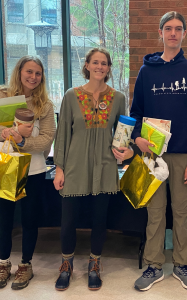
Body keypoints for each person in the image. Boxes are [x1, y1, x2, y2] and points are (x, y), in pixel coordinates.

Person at [130, 11, 187, 291]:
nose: (173, 33)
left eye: (178, 29)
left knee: (183, 212)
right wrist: (137, 138)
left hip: (183, 156)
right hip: (152, 155)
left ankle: (181, 264)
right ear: (160, 33)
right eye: (168, 28)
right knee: (155, 211)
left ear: (184, 34)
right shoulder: (146, 72)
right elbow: (135, 112)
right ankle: (153, 265)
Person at [53, 47, 133, 291]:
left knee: (100, 220)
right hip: (75, 165)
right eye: (95, 62)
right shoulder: (70, 95)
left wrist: (125, 151)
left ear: (109, 68)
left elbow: (123, 133)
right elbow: (63, 133)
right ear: (86, 65)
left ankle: (94, 264)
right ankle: (66, 265)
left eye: (105, 63)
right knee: (68, 221)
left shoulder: (118, 98)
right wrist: (59, 168)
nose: (100, 66)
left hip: (104, 165)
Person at [0, 55, 56, 290]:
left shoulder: (45, 105)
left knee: (29, 220)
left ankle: (26, 266)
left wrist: (23, 140)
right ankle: (4, 264)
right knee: (3, 220)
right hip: (4, 166)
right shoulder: (0, 95)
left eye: (38, 73)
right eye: (29, 71)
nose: (33, 77)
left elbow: (47, 139)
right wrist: (7, 133)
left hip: (34, 170)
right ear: (19, 72)